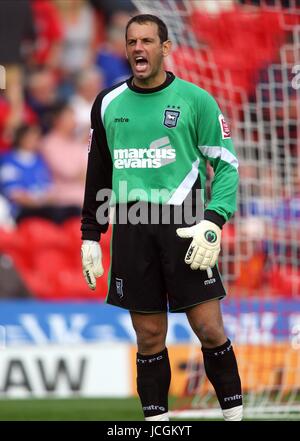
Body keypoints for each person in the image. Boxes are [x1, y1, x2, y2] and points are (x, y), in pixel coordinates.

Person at [81, 14, 242, 421]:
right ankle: (157, 426)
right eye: (132, 41)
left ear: (165, 48)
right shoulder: (108, 102)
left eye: (148, 41)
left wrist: (213, 221)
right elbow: (97, 170)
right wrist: (90, 235)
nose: (139, 48)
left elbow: (226, 165)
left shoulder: (196, 99)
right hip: (131, 228)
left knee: (209, 328)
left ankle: (235, 417)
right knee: (149, 336)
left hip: (185, 225)